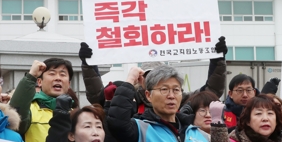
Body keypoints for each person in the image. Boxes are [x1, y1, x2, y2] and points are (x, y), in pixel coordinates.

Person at [80, 36, 228, 116]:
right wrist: (89, 64)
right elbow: (97, 98)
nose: (153, 81)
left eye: (159, 77)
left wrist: (218, 61)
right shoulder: (127, 98)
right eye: (149, 76)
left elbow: (211, 92)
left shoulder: (180, 100)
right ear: (140, 78)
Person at [107, 65, 218, 142]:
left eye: (176, 90)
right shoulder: (140, 130)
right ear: (148, 95)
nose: (171, 96)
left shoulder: (201, 136)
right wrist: (130, 81)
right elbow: (117, 122)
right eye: (164, 89)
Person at [9, 58, 74, 142]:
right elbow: (16, 114)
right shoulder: (30, 109)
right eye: (52, 73)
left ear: (69, 83)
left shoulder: (75, 114)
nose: (58, 78)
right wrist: (30, 77)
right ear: (39, 82)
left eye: (63, 74)